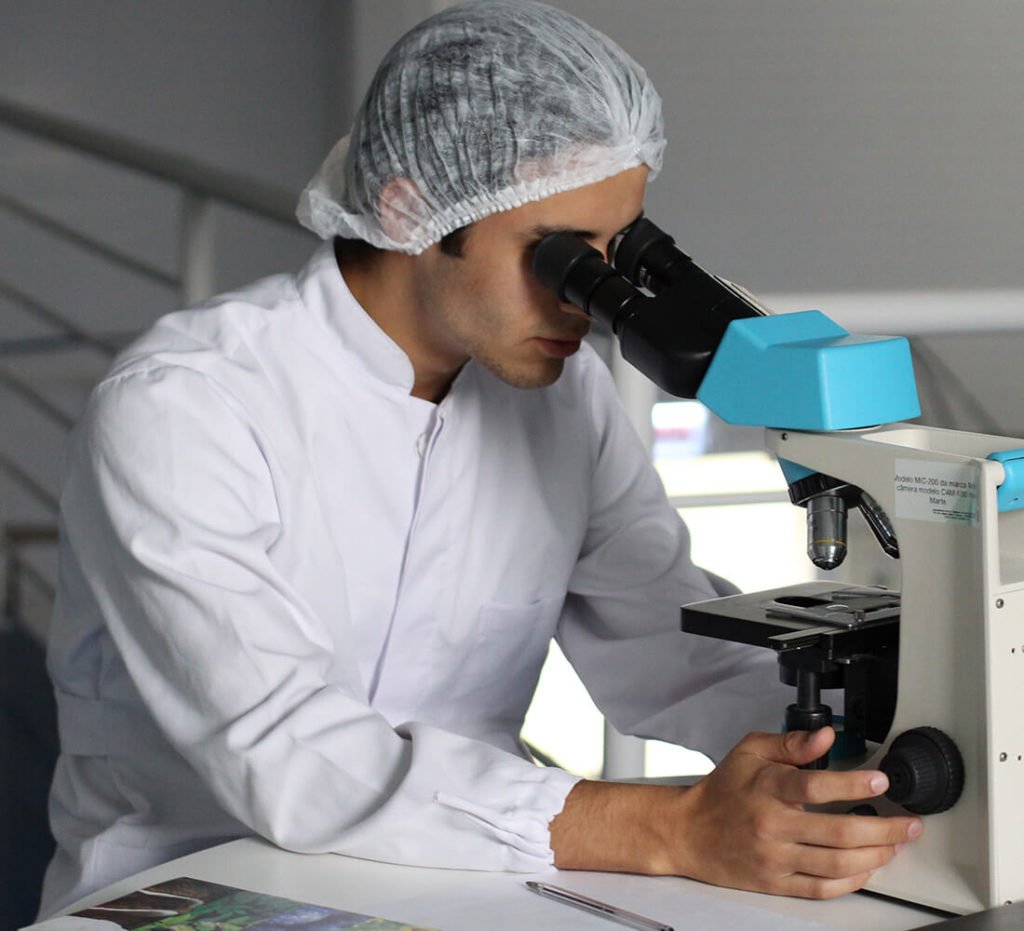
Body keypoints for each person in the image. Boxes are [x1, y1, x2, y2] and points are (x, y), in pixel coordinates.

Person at [38, 0, 921, 918]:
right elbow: (288, 752)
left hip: (464, 877)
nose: (587, 301)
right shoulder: (188, 405)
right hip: (193, 885)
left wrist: (862, 744)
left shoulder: (562, 399)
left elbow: (672, 651)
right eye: (560, 257)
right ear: (411, 208)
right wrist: (672, 828)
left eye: (616, 251)